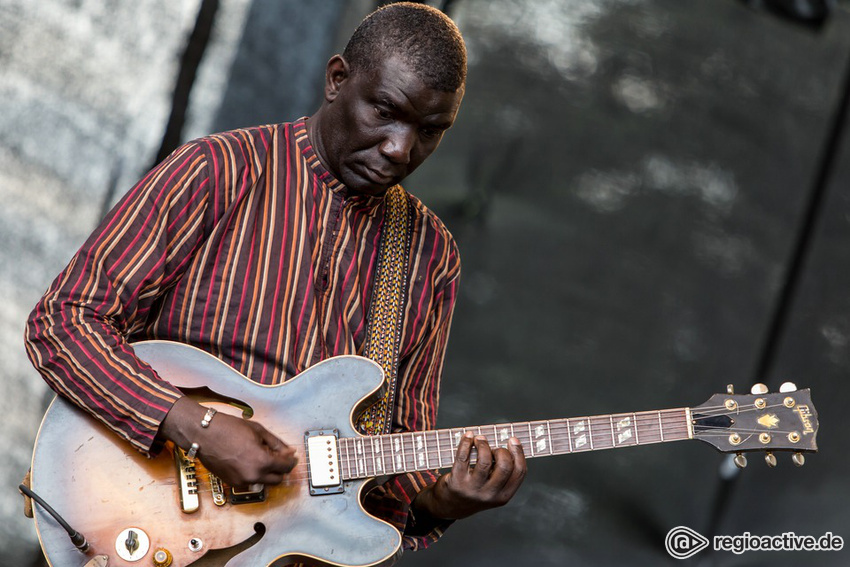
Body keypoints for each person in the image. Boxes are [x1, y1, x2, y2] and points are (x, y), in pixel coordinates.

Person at [24, 1, 526, 561]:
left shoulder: (429, 254)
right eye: (385, 111)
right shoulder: (216, 171)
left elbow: (397, 456)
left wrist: (438, 503)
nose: (400, 148)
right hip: (148, 523)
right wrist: (195, 425)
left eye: (430, 131)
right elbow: (61, 322)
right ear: (337, 79)